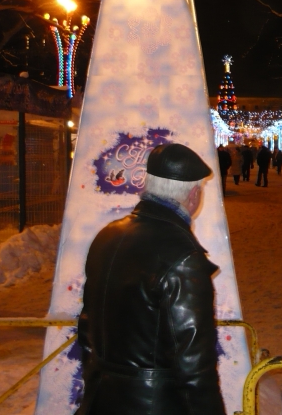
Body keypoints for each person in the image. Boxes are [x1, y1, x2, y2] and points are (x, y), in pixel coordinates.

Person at [76, 143, 225, 415]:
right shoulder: (184, 256)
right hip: (155, 405)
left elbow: (87, 331)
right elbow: (194, 365)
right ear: (193, 195)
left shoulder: (107, 236)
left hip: (100, 400)